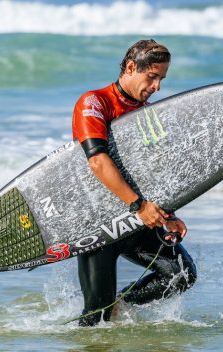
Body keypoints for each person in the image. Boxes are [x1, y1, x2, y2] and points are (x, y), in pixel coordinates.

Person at [71, 39, 197, 326]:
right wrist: (139, 205)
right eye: (151, 77)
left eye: (161, 79)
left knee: (181, 274)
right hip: (98, 226)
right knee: (95, 317)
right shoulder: (94, 103)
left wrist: (169, 214)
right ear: (130, 67)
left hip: (135, 221)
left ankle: (122, 304)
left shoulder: (146, 116)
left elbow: (149, 173)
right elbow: (97, 161)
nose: (157, 87)